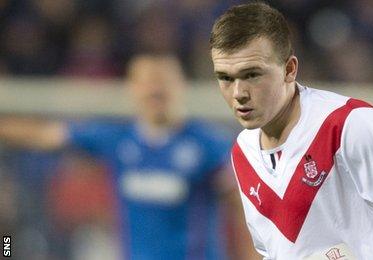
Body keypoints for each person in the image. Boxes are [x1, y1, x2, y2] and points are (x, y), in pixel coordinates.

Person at [210, 3, 373, 259]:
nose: (238, 93)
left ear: (289, 69)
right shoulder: (243, 151)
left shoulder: (349, 124)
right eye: (225, 78)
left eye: (252, 74)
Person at [0, 54, 256, 259]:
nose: (155, 89)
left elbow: (244, 211)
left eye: (163, 80)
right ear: (132, 88)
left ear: (180, 85)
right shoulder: (116, 139)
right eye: (147, 81)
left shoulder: (209, 144)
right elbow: (47, 135)